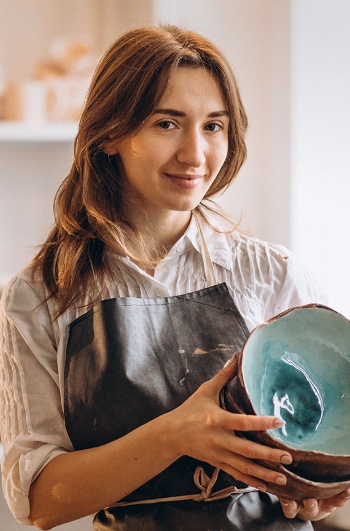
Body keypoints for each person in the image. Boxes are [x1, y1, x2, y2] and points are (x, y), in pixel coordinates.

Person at [0, 24, 349, 531]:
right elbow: (38, 502)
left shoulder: (270, 272)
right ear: (112, 133)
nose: (195, 154)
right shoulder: (39, 295)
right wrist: (175, 435)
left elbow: (330, 436)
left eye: (214, 126)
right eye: (167, 124)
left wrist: (318, 490)